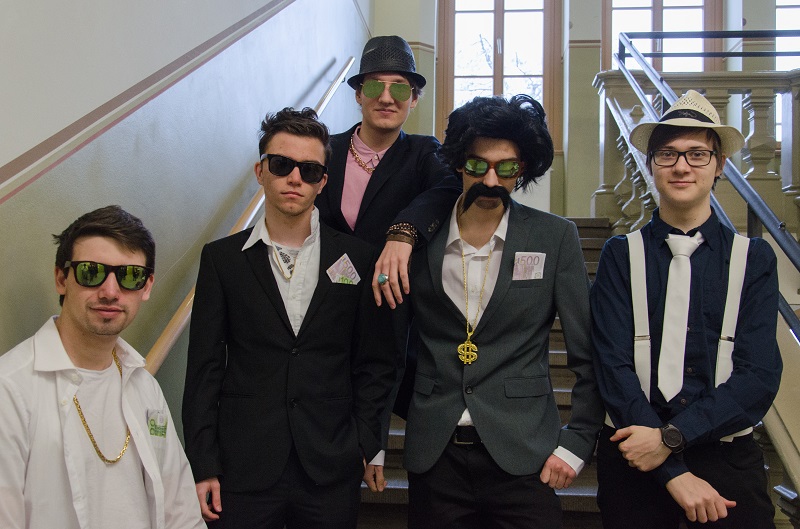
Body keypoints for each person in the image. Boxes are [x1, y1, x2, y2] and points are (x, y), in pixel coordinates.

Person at [182, 107, 396, 529]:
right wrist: (203, 463)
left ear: (323, 182)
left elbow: (376, 361)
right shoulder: (222, 260)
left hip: (331, 464)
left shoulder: (357, 257)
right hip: (243, 466)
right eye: (282, 165)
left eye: (309, 170)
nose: (295, 178)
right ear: (260, 171)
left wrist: (365, 441)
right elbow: (204, 369)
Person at [398, 94, 605, 529]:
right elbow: (385, 346)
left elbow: (588, 353)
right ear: (459, 164)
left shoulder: (555, 237)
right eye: (478, 165)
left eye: (506, 168)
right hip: (435, 453)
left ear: (522, 169)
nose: (491, 179)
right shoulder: (420, 238)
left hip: (525, 452)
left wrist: (579, 441)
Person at [591, 89, 782, 528]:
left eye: (697, 154)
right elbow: (611, 365)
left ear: (720, 165)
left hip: (726, 458)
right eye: (668, 154)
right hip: (633, 455)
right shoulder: (620, 255)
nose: (681, 166)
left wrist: (671, 440)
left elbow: (758, 375)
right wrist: (672, 471)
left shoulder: (754, 259)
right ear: (650, 164)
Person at [0, 205, 204, 529]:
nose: (110, 292)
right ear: (61, 279)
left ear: (146, 286)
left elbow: (182, 512)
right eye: (91, 272)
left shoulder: (144, 387)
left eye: (130, 276)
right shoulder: (10, 388)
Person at [315, 35, 461, 309]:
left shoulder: (423, 152)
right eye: (373, 86)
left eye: (400, 89)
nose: (386, 98)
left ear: (414, 99)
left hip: (391, 307)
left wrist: (404, 231)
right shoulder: (325, 150)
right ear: (358, 94)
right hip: (324, 303)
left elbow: (450, 188)